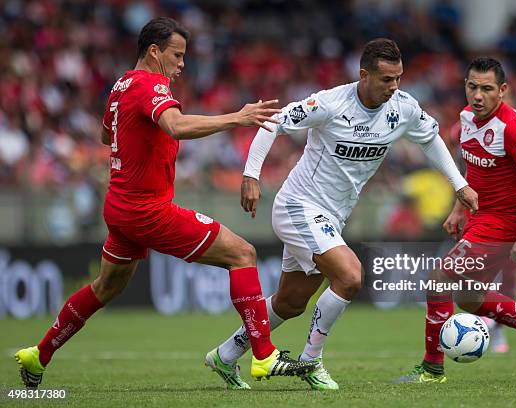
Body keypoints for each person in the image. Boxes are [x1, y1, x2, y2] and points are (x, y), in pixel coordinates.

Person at [14, 17, 318, 389]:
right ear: (154, 51)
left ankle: (38, 354)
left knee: (105, 288)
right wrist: (237, 118)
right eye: (177, 54)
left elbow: (104, 133)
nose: (182, 63)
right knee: (242, 254)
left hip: (120, 205)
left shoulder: (122, 84)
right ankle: (264, 354)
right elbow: (175, 126)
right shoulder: (149, 84)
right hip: (147, 209)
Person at [204, 38, 478, 391]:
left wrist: (458, 184)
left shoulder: (403, 108)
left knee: (290, 303)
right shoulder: (330, 103)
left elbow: (430, 138)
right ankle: (311, 360)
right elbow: (274, 122)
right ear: (364, 75)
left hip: (332, 217)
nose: (394, 87)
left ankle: (225, 356)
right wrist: (251, 174)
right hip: (298, 206)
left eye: (399, 79)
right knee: (350, 276)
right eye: (386, 80)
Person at [397, 57, 516, 384]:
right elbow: (473, 169)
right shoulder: (466, 118)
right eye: (472, 86)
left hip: (503, 223)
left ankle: (432, 368)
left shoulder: (513, 129)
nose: (478, 95)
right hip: (479, 217)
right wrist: (459, 209)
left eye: (487, 89)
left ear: (502, 91)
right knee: (469, 299)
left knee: (439, 278)